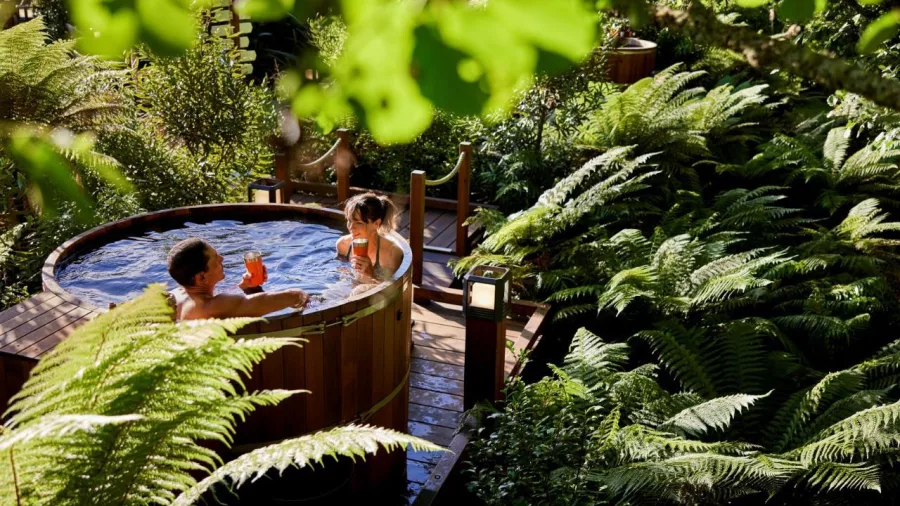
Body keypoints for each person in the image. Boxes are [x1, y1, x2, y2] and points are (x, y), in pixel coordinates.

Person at [167, 238, 308, 321]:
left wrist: (248, 287)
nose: (222, 258)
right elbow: (261, 303)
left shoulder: (176, 295)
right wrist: (298, 294)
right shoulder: (209, 307)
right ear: (201, 277)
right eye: (215, 258)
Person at [336, 192, 404, 283]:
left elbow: (391, 290)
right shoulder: (343, 245)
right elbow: (339, 274)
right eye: (349, 220)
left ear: (376, 223)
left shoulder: (391, 253)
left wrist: (371, 275)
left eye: (359, 223)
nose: (351, 227)